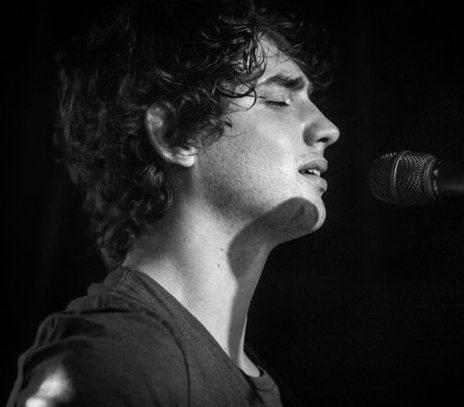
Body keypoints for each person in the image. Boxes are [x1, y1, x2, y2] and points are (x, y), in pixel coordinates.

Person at [7, 0, 340, 405]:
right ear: (176, 135)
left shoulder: (198, 366)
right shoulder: (113, 361)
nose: (328, 128)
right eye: (279, 100)